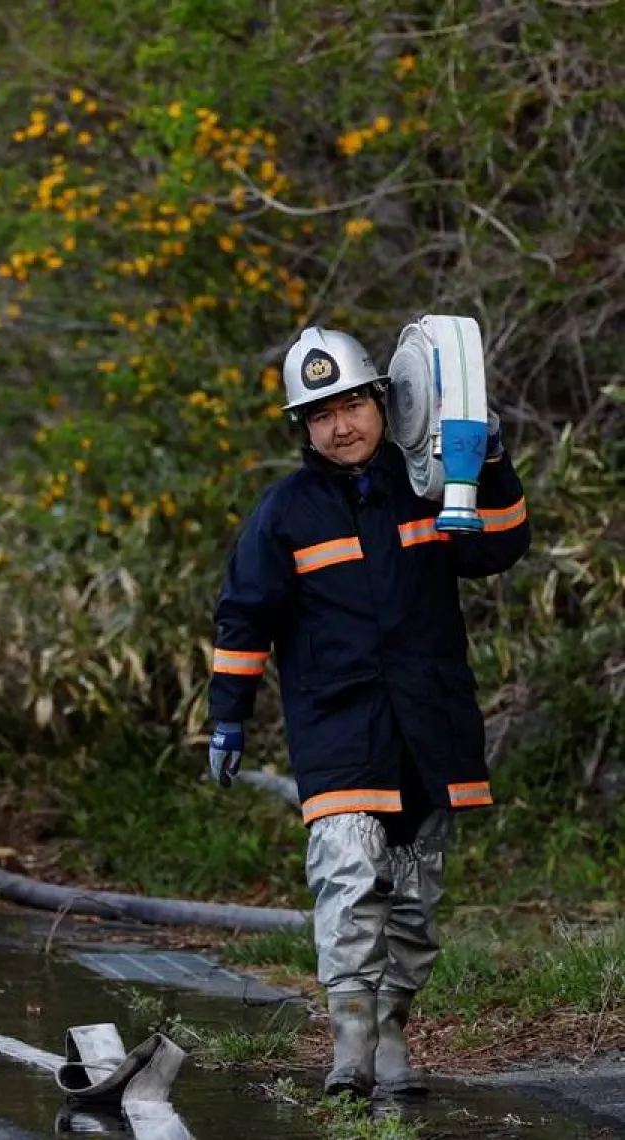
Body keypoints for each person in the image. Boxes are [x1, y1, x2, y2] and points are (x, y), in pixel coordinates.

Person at [206, 326, 531, 1097]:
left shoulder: (432, 486)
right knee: (351, 883)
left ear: (385, 401)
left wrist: (489, 462)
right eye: (320, 414)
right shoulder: (284, 512)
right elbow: (242, 618)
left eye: (352, 404)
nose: (340, 425)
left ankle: (391, 1031)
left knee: (415, 904)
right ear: (303, 427)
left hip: (430, 729)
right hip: (339, 730)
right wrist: (229, 716)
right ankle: (349, 1046)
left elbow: (501, 548)